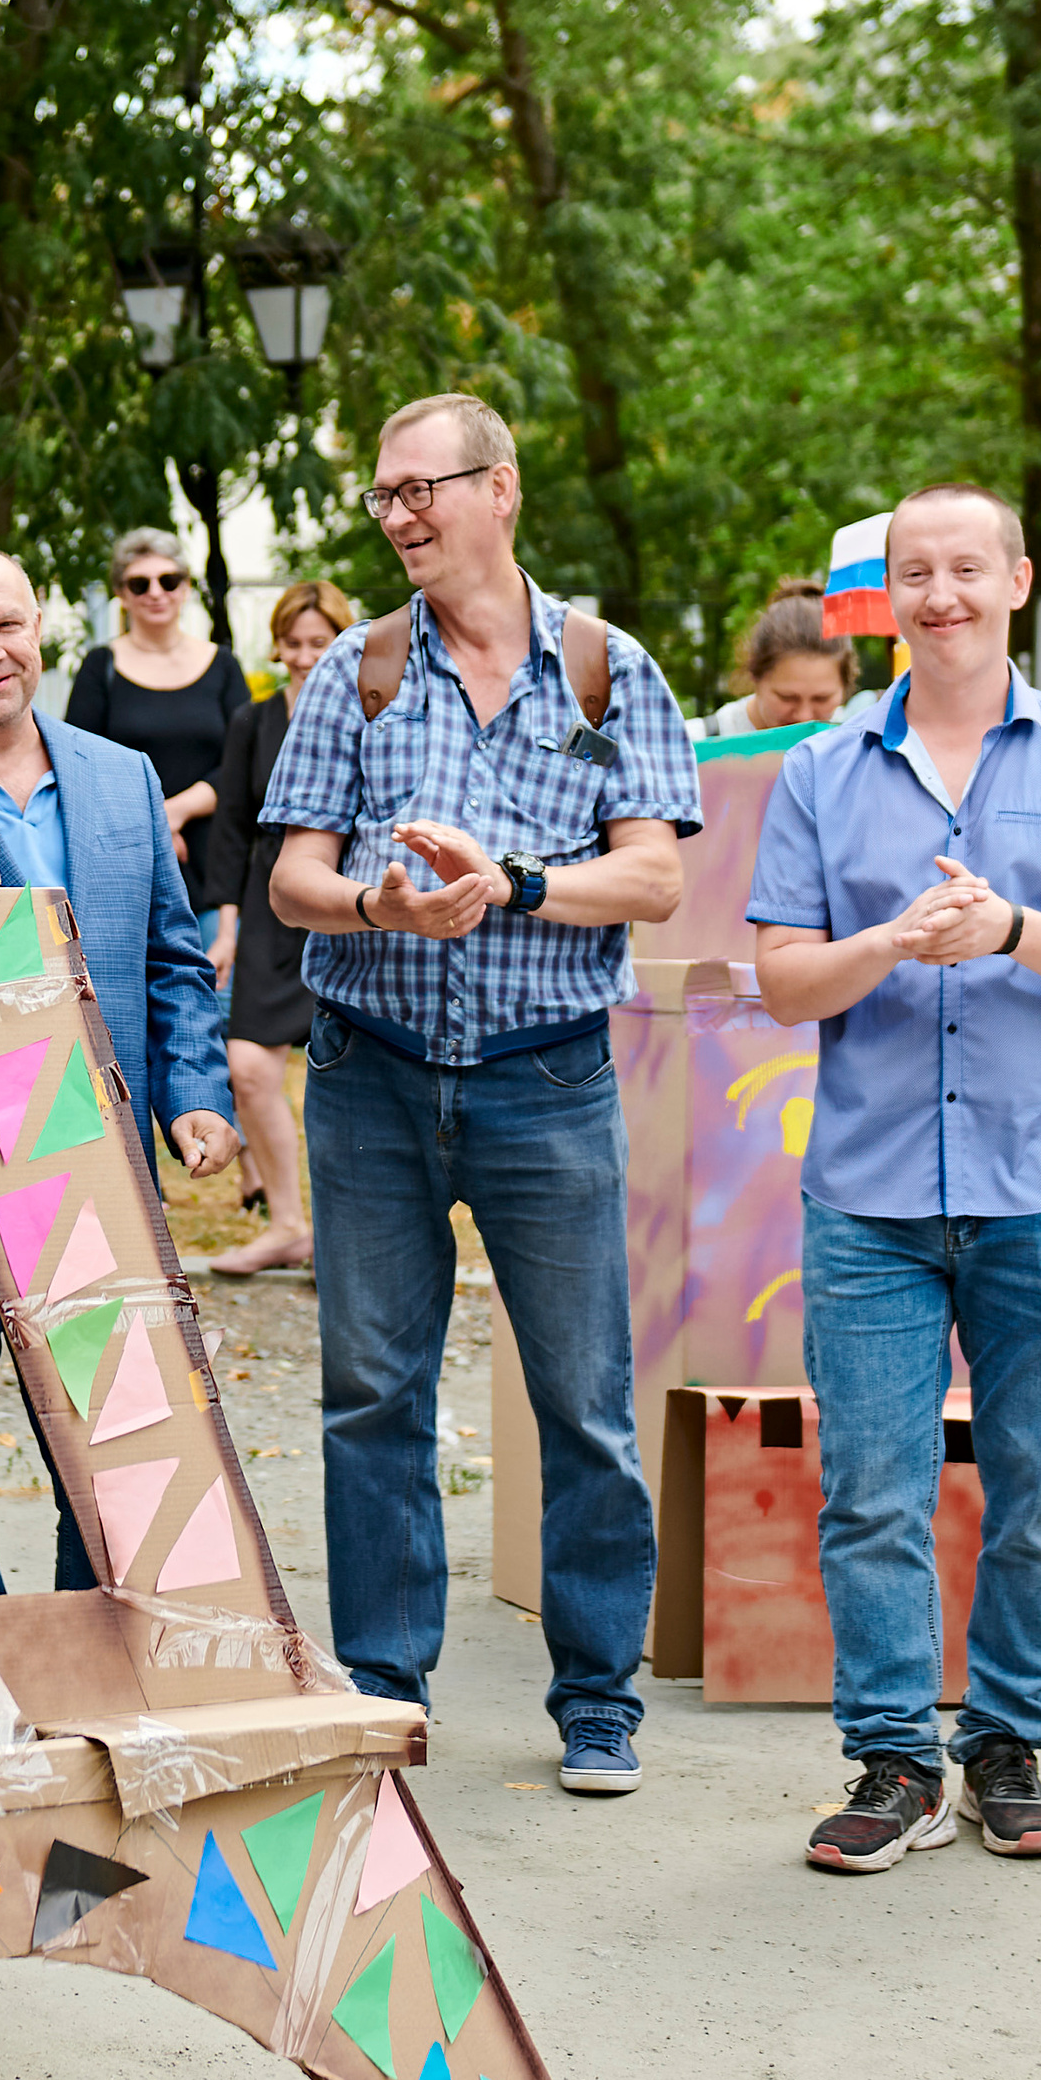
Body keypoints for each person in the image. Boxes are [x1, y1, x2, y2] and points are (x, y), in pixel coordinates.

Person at [263, 392, 700, 1793]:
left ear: (498, 489)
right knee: (371, 1392)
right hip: (370, 1078)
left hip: (548, 1077)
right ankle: (385, 1689)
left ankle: (596, 1701)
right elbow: (291, 881)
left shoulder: (605, 670)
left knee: (581, 1397)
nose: (398, 517)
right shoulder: (359, 673)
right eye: (384, 497)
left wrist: (508, 885)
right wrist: (379, 909)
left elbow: (655, 875)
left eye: (421, 490)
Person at [747, 479, 1041, 1872]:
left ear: (1019, 580)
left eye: (966, 569)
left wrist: (1011, 929)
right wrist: (889, 945)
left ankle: (1005, 1746)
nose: (942, 595)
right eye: (915, 573)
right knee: (873, 1485)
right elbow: (785, 981)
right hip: (869, 1194)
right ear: (889, 599)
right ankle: (890, 1764)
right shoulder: (818, 770)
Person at [0, 545, 240, 1593]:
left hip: (90, 1167)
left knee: (106, 1451)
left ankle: (89, 1649)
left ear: (42, 625)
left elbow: (174, 959)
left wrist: (192, 1094)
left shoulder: (118, 775)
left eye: (3, 625)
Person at [204, 578, 353, 1278]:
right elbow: (231, 829)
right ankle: (288, 1224)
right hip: (267, 910)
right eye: (291, 645)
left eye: (318, 644)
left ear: (344, 644)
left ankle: (348, 1238)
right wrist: (227, 927)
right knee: (248, 1068)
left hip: (347, 909)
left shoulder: (373, 716)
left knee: (353, 1077)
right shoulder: (253, 722)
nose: (302, 658)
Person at [64, 526, 252, 894]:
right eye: (139, 584)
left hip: (216, 861)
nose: (155, 593)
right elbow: (80, 765)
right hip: (126, 854)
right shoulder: (100, 666)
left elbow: (244, 762)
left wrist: (174, 814)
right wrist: (154, 824)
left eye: (168, 580)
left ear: (185, 588)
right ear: (120, 592)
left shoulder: (223, 664)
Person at [696, 585, 862, 739]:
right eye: (787, 698)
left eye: (822, 699)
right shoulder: (692, 745)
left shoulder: (857, 743)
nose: (804, 717)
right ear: (755, 675)